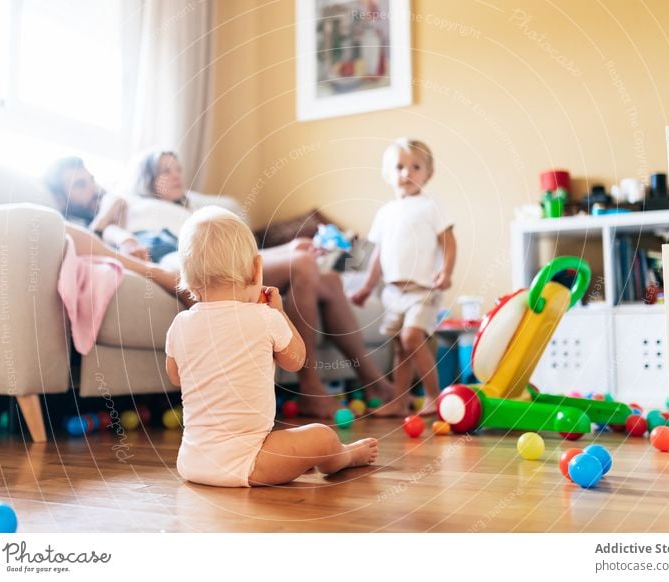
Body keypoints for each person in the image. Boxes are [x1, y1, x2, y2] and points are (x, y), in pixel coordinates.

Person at [126, 149, 395, 418]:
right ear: (147, 179)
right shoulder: (139, 209)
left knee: (331, 279)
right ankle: (310, 389)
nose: (175, 176)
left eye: (177, 169)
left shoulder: (191, 206)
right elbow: (138, 247)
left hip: (229, 255)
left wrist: (290, 246)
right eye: (165, 171)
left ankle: (374, 384)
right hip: (201, 265)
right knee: (302, 262)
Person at [164, 206, 378, 487]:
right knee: (322, 436)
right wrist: (280, 313)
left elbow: (176, 377)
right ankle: (342, 457)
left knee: (289, 445)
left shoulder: (180, 324)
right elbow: (297, 360)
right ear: (257, 270)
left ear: (186, 278)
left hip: (191, 462)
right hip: (247, 463)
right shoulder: (264, 317)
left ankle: (292, 462)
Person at [350, 138, 457, 416]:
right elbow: (377, 256)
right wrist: (366, 287)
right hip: (392, 293)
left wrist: (446, 272)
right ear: (387, 174)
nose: (406, 174)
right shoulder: (385, 213)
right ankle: (400, 400)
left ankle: (434, 395)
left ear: (428, 174)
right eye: (399, 167)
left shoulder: (430, 206)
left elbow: (449, 241)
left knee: (412, 338)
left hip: (423, 290)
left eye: (415, 167)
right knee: (400, 347)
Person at [42, 157, 182, 298]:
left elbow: (116, 218)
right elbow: (90, 244)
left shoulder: (108, 203)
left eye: (91, 180)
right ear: (60, 198)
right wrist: (105, 217)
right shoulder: (70, 225)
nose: (93, 188)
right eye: (80, 185)